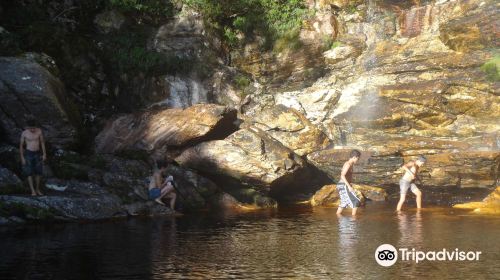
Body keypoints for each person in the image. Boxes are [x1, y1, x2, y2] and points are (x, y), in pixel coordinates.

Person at [19, 119, 46, 196]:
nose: (32, 129)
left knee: (39, 172)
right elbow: (21, 146)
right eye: (31, 128)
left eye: (34, 128)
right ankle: (32, 190)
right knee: (29, 172)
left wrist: (44, 154)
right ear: (28, 127)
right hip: (28, 153)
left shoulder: (39, 131)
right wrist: (22, 158)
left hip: (37, 153)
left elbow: (42, 142)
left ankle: (37, 189)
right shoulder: (24, 133)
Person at [336, 150, 362, 216]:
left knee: (344, 202)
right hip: (343, 185)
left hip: (342, 185)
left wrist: (350, 184)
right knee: (356, 201)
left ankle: (338, 217)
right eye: (357, 158)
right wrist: (349, 186)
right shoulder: (348, 164)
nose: (357, 160)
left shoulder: (350, 164)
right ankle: (353, 221)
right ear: (354, 157)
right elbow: (342, 175)